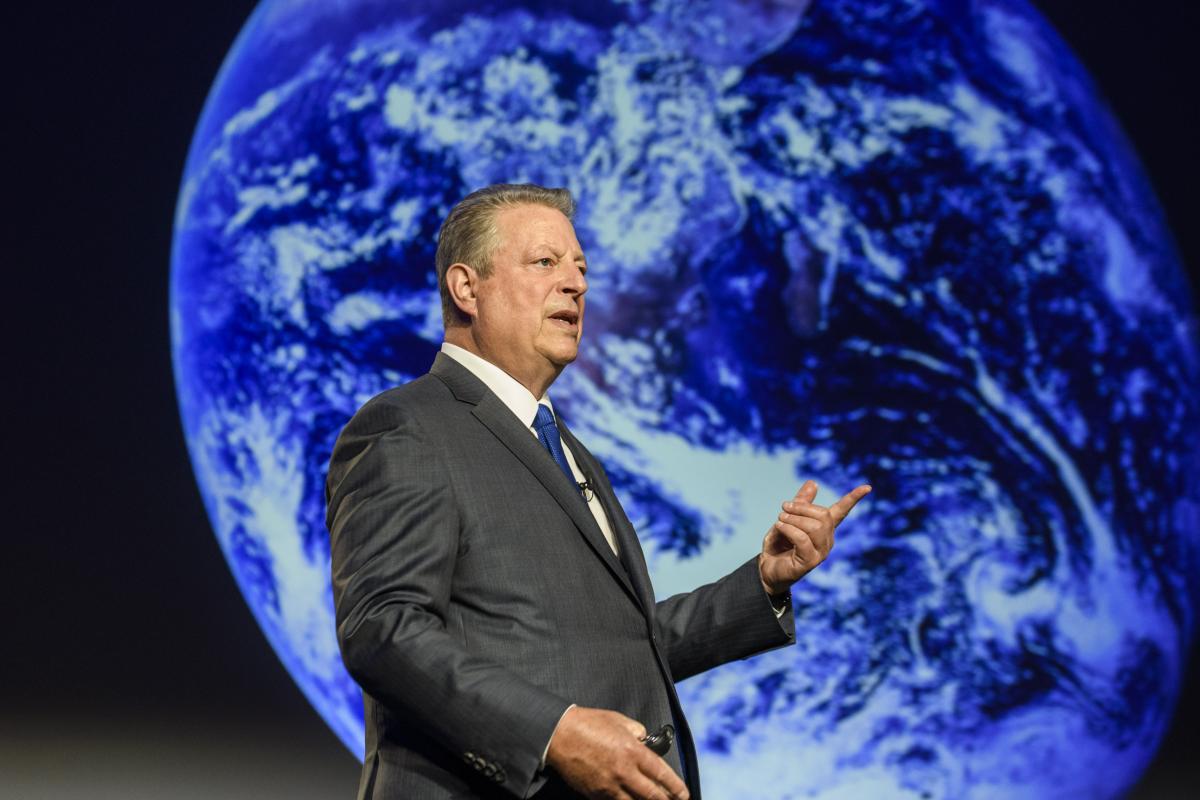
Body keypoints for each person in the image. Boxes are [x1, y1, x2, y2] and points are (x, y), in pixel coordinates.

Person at [326, 183, 870, 800]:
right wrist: (554, 735)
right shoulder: (409, 426)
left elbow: (623, 644)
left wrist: (765, 583)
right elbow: (383, 630)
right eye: (545, 262)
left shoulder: (564, 447)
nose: (576, 284)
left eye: (581, 267)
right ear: (466, 288)